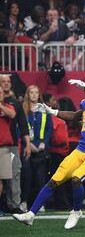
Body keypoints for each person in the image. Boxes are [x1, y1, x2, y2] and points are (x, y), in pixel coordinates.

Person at [13, 78, 85, 229]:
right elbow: (75, 116)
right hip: (79, 151)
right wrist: (51, 111)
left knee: (76, 179)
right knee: (54, 181)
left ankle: (76, 211)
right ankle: (30, 215)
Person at [0, 74, 31, 213]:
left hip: (10, 144)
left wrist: (28, 144)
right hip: (4, 145)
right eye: (3, 82)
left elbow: (23, 125)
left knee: (13, 175)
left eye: (8, 81)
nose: (6, 84)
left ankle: (14, 205)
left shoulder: (14, 103)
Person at [22, 85, 53, 212]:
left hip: (41, 148)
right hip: (27, 147)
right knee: (26, 177)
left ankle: (40, 204)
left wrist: (44, 142)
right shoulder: (23, 109)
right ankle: (24, 202)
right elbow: (20, 128)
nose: (34, 95)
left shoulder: (44, 109)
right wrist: (28, 144)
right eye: (31, 92)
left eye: (36, 92)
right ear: (28, 94)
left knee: (41, 178)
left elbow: (49, 128)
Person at [43, 93, 71, 210]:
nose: (56, 102)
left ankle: (64, 202)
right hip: (56, 152)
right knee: (57, 179)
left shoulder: (58, 115)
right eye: (53, 100)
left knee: (64, 179)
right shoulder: (50, 117)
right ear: (47, 103)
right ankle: (60, 204)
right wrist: (59, 142)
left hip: (64, 152)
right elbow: (52, 135)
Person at [0, 85, 17, 215]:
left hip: (4, 147)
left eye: (0, 93)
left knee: (2, 179)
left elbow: (12, 115)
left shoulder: (8, 107)